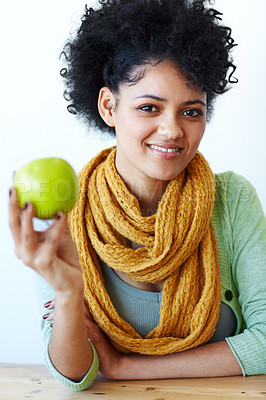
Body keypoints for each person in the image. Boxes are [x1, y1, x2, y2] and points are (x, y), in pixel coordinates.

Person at [9, 0, 266, 391]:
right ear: (109, 107)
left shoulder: (231, 200)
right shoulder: (69, 209)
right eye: (150, 107)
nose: (172, 130)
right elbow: (74, 376)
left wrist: (128, 367)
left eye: (191, 112)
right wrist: (67, 293)